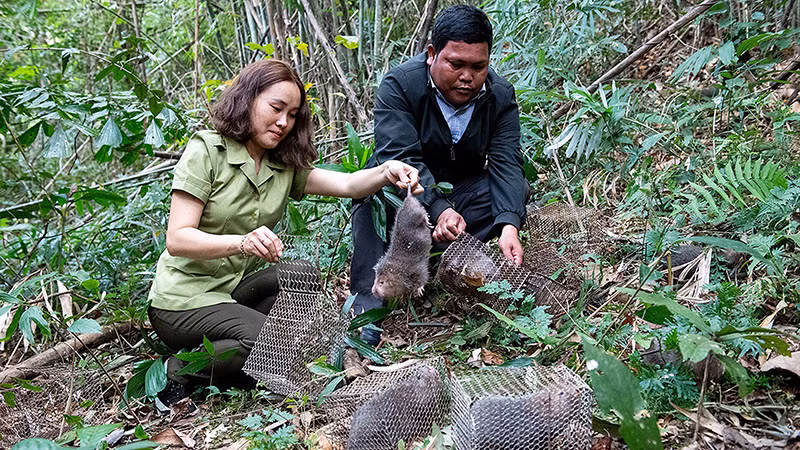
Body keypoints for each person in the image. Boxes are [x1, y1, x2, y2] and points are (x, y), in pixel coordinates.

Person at [147, 59, 421, 404]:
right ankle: (179, 368)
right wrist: (243, 243)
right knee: (264, 341)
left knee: (301, 274)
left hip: (229, 293)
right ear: (247, 99)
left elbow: (350, 184)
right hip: (181, 302)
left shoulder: (281, 164)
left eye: (292, 115)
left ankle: (245, 351)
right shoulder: (207, 150)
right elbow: (178, 238)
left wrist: (387, 170)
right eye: (276, 108)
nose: (283, 123)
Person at [350, 5, 528, 344]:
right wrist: (438, 207)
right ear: (432, 54)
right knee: (371, 190)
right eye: (456, 64)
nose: (468, 76)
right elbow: (398, 156)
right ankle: (366, 305)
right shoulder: (401, 85)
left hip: (462, 192)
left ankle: (433, 265)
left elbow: (506, 161)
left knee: (515, 190)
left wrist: (509, 225)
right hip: (404, 194)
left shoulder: (499, 95)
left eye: (479, 66)